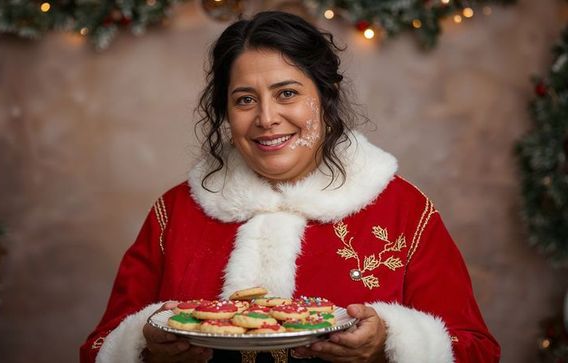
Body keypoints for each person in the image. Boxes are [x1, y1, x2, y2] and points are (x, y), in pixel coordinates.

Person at [80, 11, 500, 363]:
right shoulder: (175, 211)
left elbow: (478, 350)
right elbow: (99, 347)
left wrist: (388, 345)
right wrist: (147, 349)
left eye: (287, 93)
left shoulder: (403, 210)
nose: (266, 118)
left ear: (326, 95)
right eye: (245, 99)